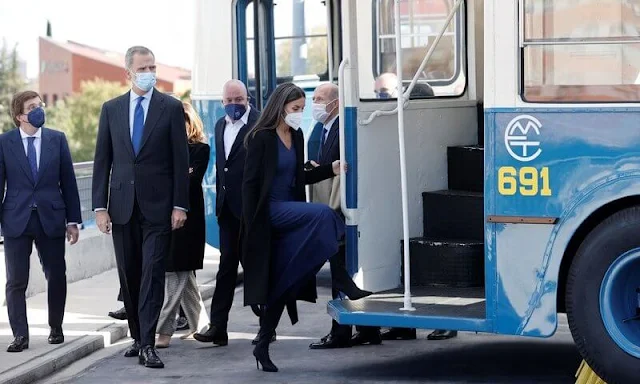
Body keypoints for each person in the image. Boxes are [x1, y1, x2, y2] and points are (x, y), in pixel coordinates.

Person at [92, 45, 189, 368]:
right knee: (130, 275)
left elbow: (180, 160)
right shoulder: (111, 109)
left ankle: (148, 343)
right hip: (121, 207)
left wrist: (180, 205)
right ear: (128, 73)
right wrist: (99, 208)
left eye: (152, 67)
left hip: (159, 209)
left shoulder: (170, 108)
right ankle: (137, 336)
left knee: (152, 274)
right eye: (143, 68)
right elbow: (102, 161)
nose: (150, 73)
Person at [242, 82, 345, 372]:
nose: (300, 114)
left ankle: (262, 346)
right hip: (269, 214)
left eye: (302, 109)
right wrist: (251, 230)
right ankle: (343, 277)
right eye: (296, 109)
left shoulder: (296, 135)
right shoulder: (261, 138)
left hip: (291, 214)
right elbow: (249, 186)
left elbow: (297, 176)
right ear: (281, 106)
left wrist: (330, 169)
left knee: (282, 282)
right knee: (325, 214)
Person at [373, 73, 456, 341]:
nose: (382, 98)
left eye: (386, 92)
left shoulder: (422, 121)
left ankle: (434, 320)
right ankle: (405, 322)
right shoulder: (389, 121)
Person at [3, 90, 82, 352]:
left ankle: (55, 326)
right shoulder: (5, 143)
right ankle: (20, 335)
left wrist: (73, 220)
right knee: (16, 280)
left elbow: (69, 182)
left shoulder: (56, 140)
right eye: (32, 107)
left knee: (56, 274)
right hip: (16, 219)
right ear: (20, 116)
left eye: (40, 105)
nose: (39, 110)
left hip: (51, 217)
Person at [194, 80, 267, 346]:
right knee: (226, 270)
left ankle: (266, 327)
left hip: (252, 211)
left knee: (256, 269)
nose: (234, 105)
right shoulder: (220, 124)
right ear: (222, 101)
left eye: (239, 99)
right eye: (229, 101)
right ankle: (218, 327)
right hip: (227, 210)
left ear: (247, 98)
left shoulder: (260, 124)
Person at [306, 83, 379, 350]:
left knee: (342, 268)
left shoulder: (343, 128)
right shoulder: (324, 129)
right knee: (343, 268)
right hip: (331, 210)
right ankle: (366, 329)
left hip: (339, 210)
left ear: (335, 103)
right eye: (313, 97)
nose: (314, 103)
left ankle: (341, 333)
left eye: (320, 98)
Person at [155, 101, 211, 348]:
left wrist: (172, 177)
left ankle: (163, 330)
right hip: (164, 217)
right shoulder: (162, 150)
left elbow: (189, 179)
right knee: (182, 272)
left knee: (176, 271)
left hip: (188, 218)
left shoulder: (200, 149)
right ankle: (202, 325)